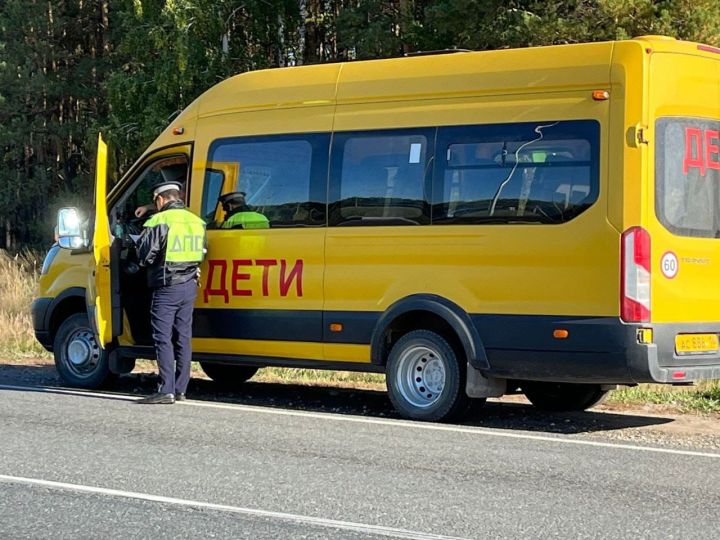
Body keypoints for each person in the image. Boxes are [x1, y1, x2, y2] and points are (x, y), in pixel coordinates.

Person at [136, 180, 207, 404]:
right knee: (183, 337)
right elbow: (203, 252)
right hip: (189, 285)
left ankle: (165, 389)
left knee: (162, 337)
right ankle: (181, 389)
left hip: (167, 286)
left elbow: (144, 256)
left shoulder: (159, 220)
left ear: (160, 199)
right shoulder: (197, 222)